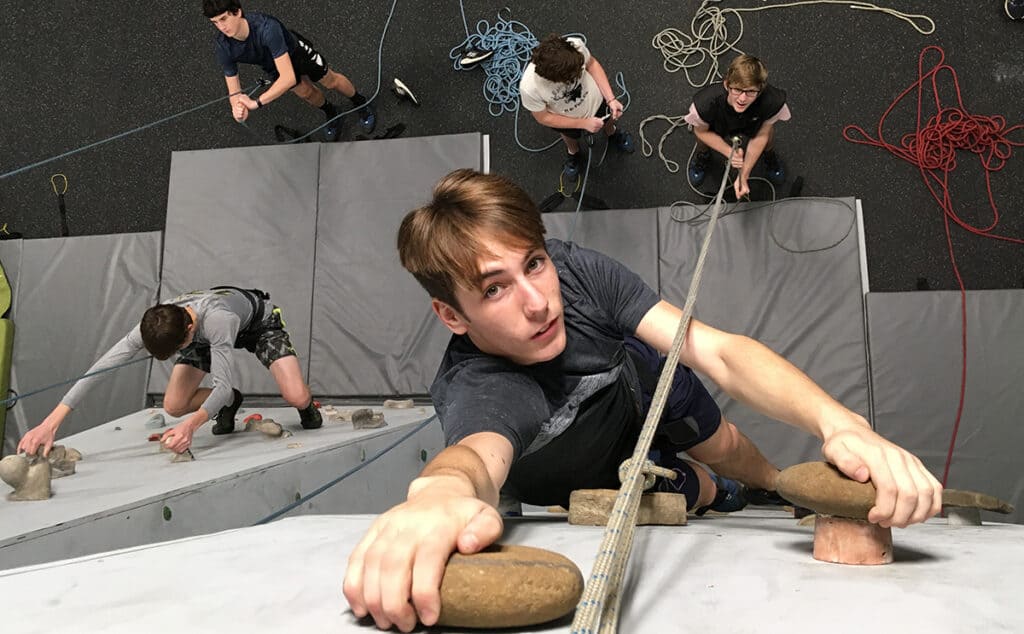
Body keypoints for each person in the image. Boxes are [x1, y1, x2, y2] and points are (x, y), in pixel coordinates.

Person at [342, 169, 943, 632]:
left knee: (728, 446)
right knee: (697, 489)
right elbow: (474, 456)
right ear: (451, 315)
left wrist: (839, 423)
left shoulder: (576, 275)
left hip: (638, 379)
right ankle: (720, 491)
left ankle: (769, 486)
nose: (537, 302)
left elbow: (719, 352)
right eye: (495, 288)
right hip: (592, 472)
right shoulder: (485, 384)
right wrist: (437, 495)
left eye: (534, 263)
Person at [16, 287, 322, 457]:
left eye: (178, 349)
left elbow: (222, 383)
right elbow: (101, 369)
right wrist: (50, 423)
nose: (176, 355)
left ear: (188, 331)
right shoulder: (158, 323)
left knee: (294, 395)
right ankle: (230, 406)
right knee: (174, 405)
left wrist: (190, 428)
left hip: (254, 324)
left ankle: (308, 409)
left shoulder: (217, 320)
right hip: (201, 335)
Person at [202, 0, 375, 137]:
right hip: (272, 65)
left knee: (330, 81)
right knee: (306, 93)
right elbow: (234, 92)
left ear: (237, 12)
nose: (222, 27)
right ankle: (332, 112)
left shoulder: (267, 28)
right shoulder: (224, 47)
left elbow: (289, 77)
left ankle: (360, 102)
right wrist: (237, 109)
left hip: (296, 53)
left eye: (223, 19)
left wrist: (257, 102)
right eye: (215, 22)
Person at [519, 34, 635, 181]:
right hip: (566, 119)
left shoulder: (574, 46)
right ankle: (573, 152)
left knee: (609, 119)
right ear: (556, 80)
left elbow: (591, 64)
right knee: (569, 136)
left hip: (597, 101)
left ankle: (612, 133)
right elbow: (543, 117)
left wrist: (610, 99)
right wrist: (583, 124)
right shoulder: (529, 88)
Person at [685, 54, 789, 199]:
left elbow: (761, 135)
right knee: (701, 137)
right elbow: (700, 131)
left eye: (751, 91)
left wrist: (743, 175)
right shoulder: (706, 104)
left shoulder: (771, 101)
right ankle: (703, 156)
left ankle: (769, 155)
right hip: (719, 121)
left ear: (760, 88)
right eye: (737, 90)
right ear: (727, 84)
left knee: (769, 132)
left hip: (753, 121)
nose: (742, 99)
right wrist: (729, 152)